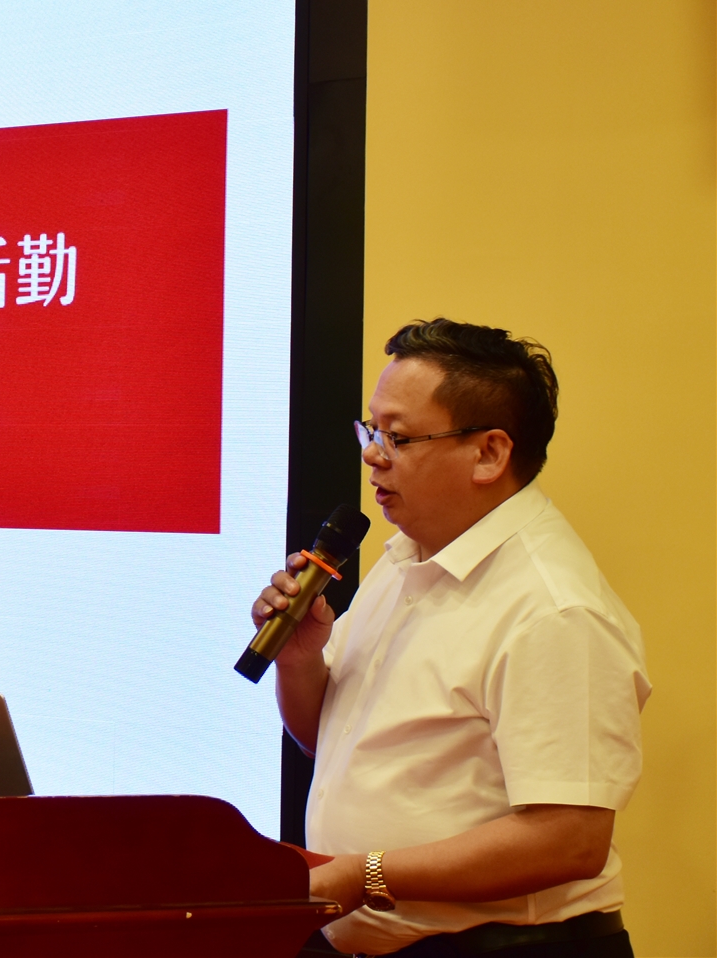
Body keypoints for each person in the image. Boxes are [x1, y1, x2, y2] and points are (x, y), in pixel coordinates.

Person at [253, 319, 646, 957]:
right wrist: (299, 661)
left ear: (489, 454)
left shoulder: (553, 609)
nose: (373, 455)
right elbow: (328, 743)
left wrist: (364, 875)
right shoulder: (409, 553)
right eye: (371, 429)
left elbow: (569, 839)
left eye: (399, 437)